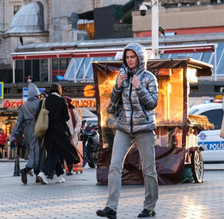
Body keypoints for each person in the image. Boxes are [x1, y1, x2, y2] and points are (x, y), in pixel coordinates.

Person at [96, 43, 159, 219]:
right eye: (128, 57)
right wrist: (117, 86)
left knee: (148, 170)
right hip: (123, 127)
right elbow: (114, 102)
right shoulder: (121, 75)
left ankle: (149, 206)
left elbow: (152, 103)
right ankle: (111, 207)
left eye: (133, 57)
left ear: (140, 58)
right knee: (114, 166)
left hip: (144, 128)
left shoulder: (149, 78)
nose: (130, 60)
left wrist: (139, 87)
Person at [36, 83, 80, 185]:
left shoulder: (44, 101)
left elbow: (39, 115)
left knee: (53, 152)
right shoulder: (62, 101)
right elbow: (66, 118)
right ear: (59, 90)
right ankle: (43, 173)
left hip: (47, 131)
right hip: (60, 131)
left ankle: (59, 176)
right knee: (57, 152)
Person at [9, 83, 41, 184]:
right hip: (37, 129)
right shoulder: (39, 104)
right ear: (36, 95)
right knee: (36, 152)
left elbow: (18, 123)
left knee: (33, 151)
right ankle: (26, 170)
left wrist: (12, 135)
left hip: (26, 131)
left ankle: (36, 175)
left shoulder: (23, 107)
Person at [64, 96, 81, 175]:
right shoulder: (61, 111)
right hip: (64, 134)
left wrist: (75, 131)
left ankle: (70, 168)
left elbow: (78, 122)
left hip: (73, 134)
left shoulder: (73, 111)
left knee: (71, 152)